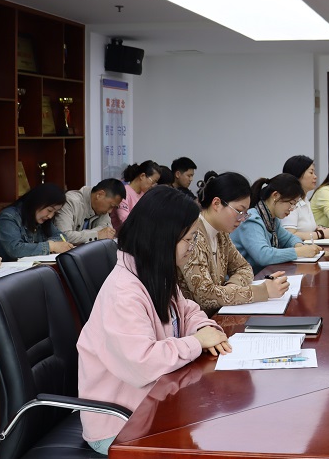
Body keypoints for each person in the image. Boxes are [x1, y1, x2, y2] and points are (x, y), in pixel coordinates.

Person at [77, 185, 231, 454]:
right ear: (163, 238)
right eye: (189, 239)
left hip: (154, 404)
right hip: (120, 425)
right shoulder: (124, 292)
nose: (193, 247)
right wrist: (197, 342)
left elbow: (186, 310)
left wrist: (204, 327)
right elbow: (143, 363)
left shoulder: (153, 272)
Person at [178, 172, 289, 314]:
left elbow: (244, 267)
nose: (241, 219)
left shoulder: (221, 233)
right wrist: (263, 291)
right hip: (195, 320)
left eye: (245, 214)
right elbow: (205, 296)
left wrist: (232, 288)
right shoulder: (193, 236)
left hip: (217, 314)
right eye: (239, 211)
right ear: (216, 203)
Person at [233, 174, 323, 272]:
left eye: (294, 205)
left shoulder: (272, 220)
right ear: (275, 195)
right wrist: (299, 252)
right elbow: (263, 256)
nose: (292, 209)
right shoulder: (251, 220)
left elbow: (289, 238)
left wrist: (299, 245)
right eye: (291, 203)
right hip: (246, 278)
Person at [0, 183, 73, 261]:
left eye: (55, 212)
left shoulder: (42, 219)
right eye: (49, 210)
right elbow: (15, 249)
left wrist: (52, 243)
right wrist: (51, 246)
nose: (50, 216)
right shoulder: (9, 217)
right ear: (37, 202)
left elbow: (61, 236)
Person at [280, 155, 329, 242]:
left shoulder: (305, 199)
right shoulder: (289, 201)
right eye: (311, 173)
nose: (315, 176)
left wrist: (319, 229)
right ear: (298, 175)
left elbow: (305, 228)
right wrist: (321, 234)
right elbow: (289, 235)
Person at [53, 179, 125, 244]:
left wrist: (98, 234)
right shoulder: (70, 201)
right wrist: (97, 235)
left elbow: (107, 232)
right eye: (111, 206)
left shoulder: (102, 209)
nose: (110, 211)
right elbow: (63, 236)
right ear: (100, 195)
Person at [112, 160, 160, 233]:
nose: (153, 186)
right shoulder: (123, 192)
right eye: (153, 182)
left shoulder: (144, 194)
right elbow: (124, 219)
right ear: (142, 176)